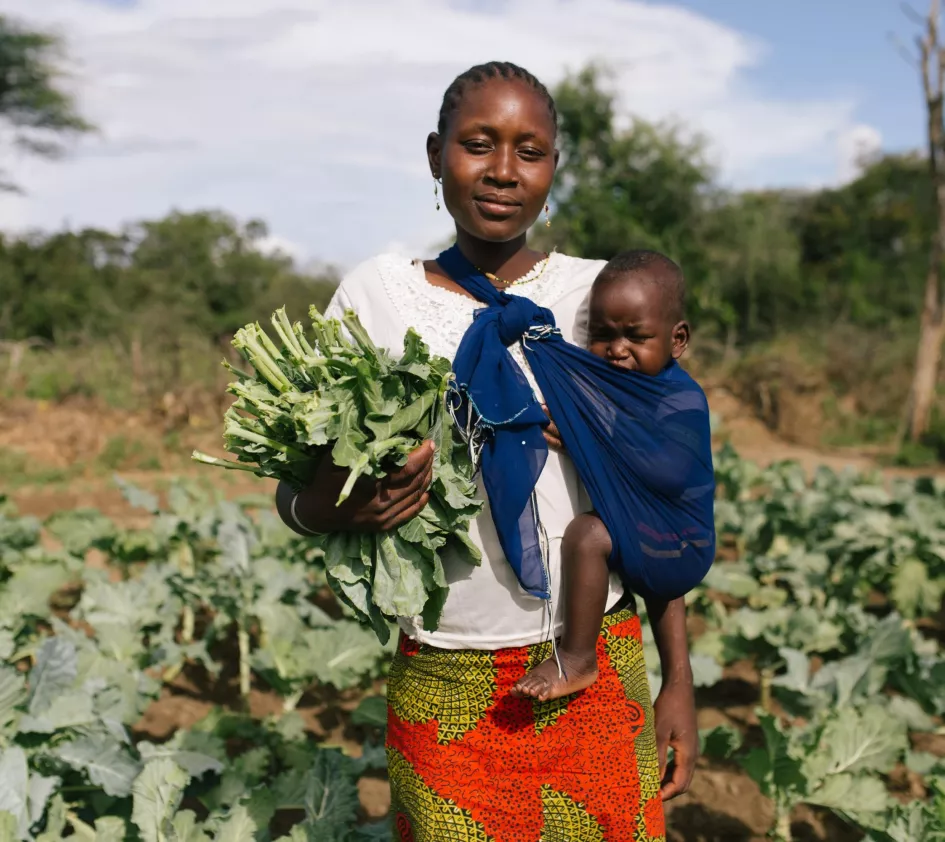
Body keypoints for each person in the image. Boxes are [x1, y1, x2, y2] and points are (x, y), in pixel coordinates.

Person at [275, 61, 697, 842]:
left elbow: (654, 496)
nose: (502, 171)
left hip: (594, 662)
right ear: (435, 154)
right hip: (444, 669)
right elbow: (294, 491)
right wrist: (338, 505)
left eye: (528, 151)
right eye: (477, 144)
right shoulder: (375, 296)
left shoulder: (602, 296)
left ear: (552, 169)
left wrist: (679, 680)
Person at [512, 249, 693, 703]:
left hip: (675, 537)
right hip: (645, 526)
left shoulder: (679, 399)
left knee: (587, 536)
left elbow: (667, 472)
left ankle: (577, 658)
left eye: (635, 336)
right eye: (601, 336)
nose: (616, 350)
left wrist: (583, 441)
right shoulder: (620, 385)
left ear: (677, 340)